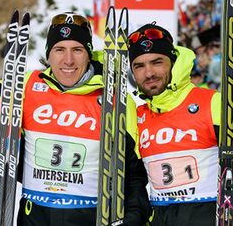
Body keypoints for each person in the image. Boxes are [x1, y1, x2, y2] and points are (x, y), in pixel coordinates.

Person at [16, 12, 151, 226]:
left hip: (91, 218)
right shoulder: (25, 88)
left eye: (77, 50)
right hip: (35, 218)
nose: (68, 60)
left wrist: (134, 216)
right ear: (48, 55)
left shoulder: (116, 101)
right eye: (59, 49)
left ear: (89, 54)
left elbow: (134, 175)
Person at [127, 23, 221, 226]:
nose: (149, 73)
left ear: (173, 61)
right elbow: (135, 180)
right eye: (139, 66)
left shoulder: (212, 103)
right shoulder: (138, 117)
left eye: (157, 62)